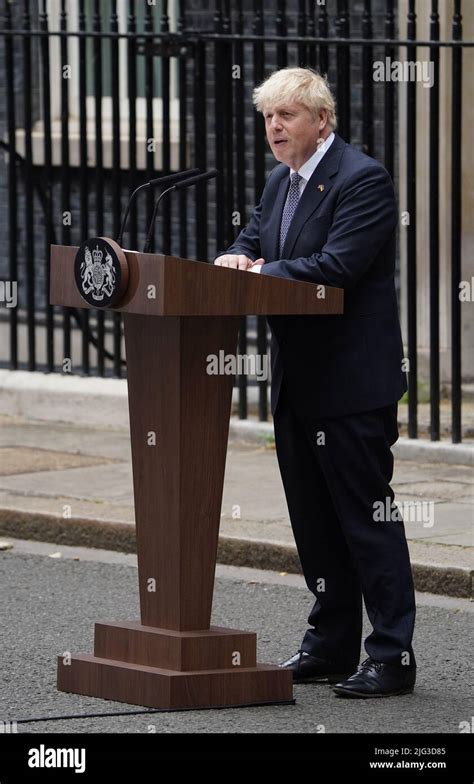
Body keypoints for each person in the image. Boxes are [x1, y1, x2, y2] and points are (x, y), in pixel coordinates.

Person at [214, 67, 416, 699]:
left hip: (352, 384)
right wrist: (235, 258)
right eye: (269, 117)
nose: (274, 127)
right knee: (313, 520)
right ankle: (330, 645)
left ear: (321, 120)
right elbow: (254, 238)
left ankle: (391, 655)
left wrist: (259, 268)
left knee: (366, 518)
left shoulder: (363, 179)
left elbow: (338, 267)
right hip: (298, 382)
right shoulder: (282, 182)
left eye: (287, 116)